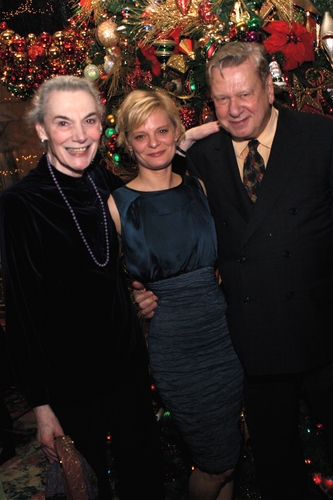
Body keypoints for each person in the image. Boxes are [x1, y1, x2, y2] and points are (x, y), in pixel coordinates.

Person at [135, 42, 333, 500]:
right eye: (222, 98)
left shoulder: (321, 138)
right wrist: (150, 287)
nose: (234, 109)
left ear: (269, 86)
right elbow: (163, 217)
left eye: (244, 94)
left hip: (323, 333)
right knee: (277, 466)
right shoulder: (204, 158)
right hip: (254, 342)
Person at [0, 75, 165, 500]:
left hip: (128, 369)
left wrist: (139, 293)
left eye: (89, 121)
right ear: (41, 130)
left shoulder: (102, 182)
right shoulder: (21, 204)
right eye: (63, 123)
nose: (79, 136)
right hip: (71, 384)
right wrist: (40, 406)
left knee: (143, 480)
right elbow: (22, 311)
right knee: (89, 489)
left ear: (101, 124)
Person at [107, 89, 244, 500]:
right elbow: (101, 288)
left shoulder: (200, 187)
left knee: (230, 457)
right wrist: (132, 302)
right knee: (214, 462)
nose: (153, 143)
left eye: (162, 131)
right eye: (141, 135)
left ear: (176, 130)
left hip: (225, 339)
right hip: (176, 351)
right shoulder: (118, 205)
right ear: (127, 143)